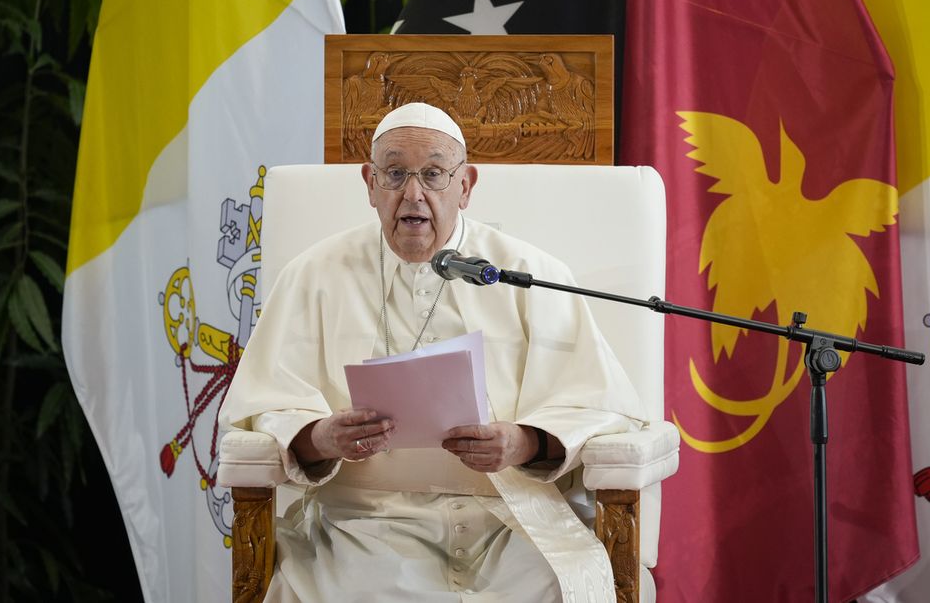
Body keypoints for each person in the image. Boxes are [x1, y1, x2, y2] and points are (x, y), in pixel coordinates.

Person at [219, 102, 646, 602]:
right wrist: (320, 436)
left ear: (465, 186)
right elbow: (264, 407)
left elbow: (598, 404)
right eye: (395, 173)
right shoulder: (312, 275)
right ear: (370, 184)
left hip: (508, 520)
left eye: (434, 174)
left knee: (555, 587)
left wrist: (526, 442)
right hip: (361, 524)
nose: (413, 194)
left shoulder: (524, 271)